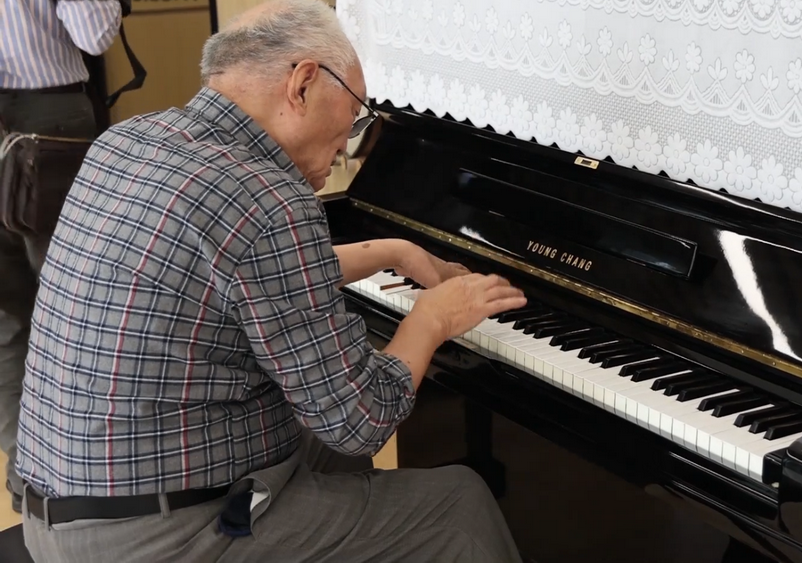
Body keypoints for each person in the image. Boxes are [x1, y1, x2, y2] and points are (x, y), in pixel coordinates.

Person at [15, 0, 528, 560]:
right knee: (458, 505)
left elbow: (240, 274)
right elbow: (362, 419)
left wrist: (395, 251)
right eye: (355, 114)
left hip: (61, 513)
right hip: (158, 539)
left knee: (329, 453)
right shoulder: (269, 197)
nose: (347, 146)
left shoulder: (129, 141)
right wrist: (432, 318)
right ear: (303, 84)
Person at [0, 0, 123, 514]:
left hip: (45, 121)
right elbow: (95, 33)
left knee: (5, 316)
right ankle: (85, 469)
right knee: (75, 303)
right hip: (50, 119)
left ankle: (26, 474)